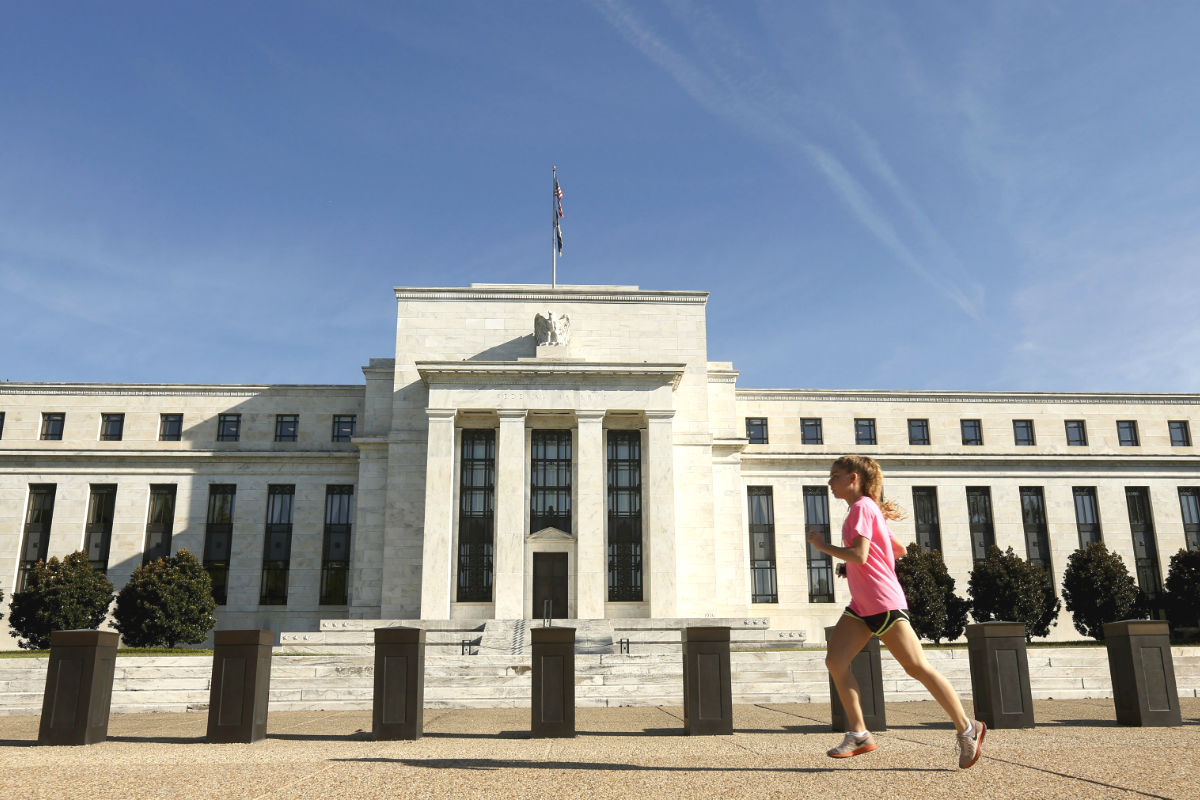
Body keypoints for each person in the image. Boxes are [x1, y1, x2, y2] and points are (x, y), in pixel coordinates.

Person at [806, 455, 986, 769]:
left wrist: (824, 547)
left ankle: (969, 728)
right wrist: (856, 566)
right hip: (862, 606)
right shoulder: (866, 510)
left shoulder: (862, 508)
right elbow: (897, 550)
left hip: (883, 602)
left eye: (834, 475)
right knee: (835, 661)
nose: (829, 482)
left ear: (853, 478)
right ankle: (860, 733)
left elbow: (861, 555)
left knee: (918, 668)